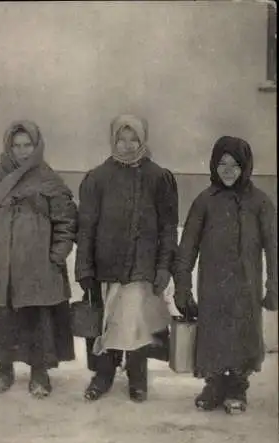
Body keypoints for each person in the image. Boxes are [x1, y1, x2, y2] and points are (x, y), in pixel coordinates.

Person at [0, 120, 77, 398]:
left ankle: (39, 372)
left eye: (28, 145)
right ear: (8, 147)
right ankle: (4, 369)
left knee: (38, 320)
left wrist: (56, 255)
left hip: (39, 268)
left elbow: (66, 221)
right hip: (2, 267)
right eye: (17, 145)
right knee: (4, 318)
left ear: (37, 145)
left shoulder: (49, 179)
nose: (22, 151)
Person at [75, 114, 178, 402]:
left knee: (136, 323)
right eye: (122, 138)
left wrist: (163, 267)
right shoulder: (97, 178)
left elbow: (169, 228)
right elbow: (86, 227)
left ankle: (138, 376)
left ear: (143, 140)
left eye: (134, 139)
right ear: (113, 140)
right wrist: (84, 267)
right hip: (105, 266)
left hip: (142, 267)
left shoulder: (159, 178)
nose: (128, 145)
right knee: (106, 322)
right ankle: (104, 374)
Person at [174, 136, 277, 413]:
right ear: (213, 165)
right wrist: (182, 288)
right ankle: (214, 385)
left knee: (243, 336)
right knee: (214, 336)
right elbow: (187, 247)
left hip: (247, 286)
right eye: (222, 164)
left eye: (235, 164)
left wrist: (273, 286)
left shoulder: (260, 202)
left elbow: (273, 248)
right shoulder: (205, 201)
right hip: (212, 286)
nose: (228, 170)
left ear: (245, 166)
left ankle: (237, 388)